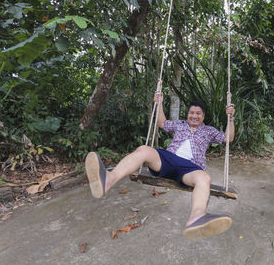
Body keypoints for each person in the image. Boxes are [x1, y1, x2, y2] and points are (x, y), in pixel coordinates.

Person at [85, 92, 235, 239]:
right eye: (191, 112)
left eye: (198, 113)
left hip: (191, 167)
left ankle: (196, 217)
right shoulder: (180, 124)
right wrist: (160, 104)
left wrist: (230, 118)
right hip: (168, 159)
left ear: (203, 116)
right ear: (187, 114)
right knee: (144, 150)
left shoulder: (208, 131)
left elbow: (228, 138)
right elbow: (162, 123)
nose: (194, 116)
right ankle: (108, 180)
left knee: (204, 178)